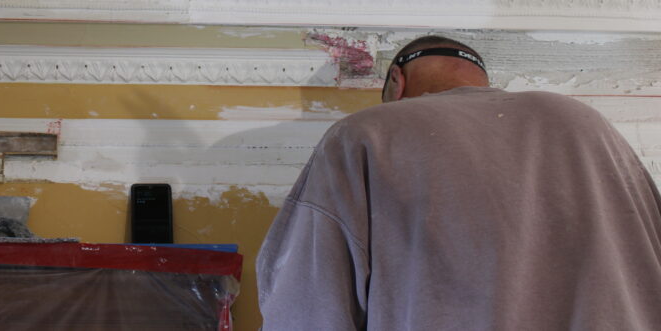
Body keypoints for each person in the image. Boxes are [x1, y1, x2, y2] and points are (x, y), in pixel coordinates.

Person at [256, 35, 661, 330]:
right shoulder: (582, 122)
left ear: (397, 82)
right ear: (482, 81)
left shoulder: (367, 133)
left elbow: (304, 301)